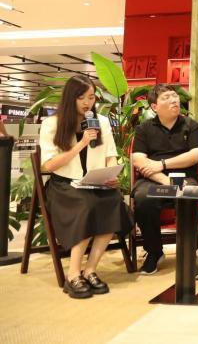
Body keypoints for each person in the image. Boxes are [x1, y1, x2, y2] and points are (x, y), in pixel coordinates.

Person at [39, 75, 132, 299]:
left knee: (113, 202)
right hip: (64, 185)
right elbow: (48, 165)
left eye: (91, 97)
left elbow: (110, 155)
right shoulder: (52, 124)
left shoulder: (101, 122)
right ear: (70, 98)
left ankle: (89, 270)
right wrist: (80, 144)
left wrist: (111, 174)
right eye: (81, 98)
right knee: (86, 205)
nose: (87, 103)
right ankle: (73, 275)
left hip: (93, 182)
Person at [131, 84, 198, 276]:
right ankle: (154, 252)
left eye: (175, 96)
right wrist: (165, 180)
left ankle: (188, 256)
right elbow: (139, 160)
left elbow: (196, 155)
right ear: (154, 107)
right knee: (143, 198)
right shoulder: (144, 129)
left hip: (184, 177)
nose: (174, 100)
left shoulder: (191, 125)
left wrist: (162, 164)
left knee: (188, 197)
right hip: (152, 179)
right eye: (166, 97)